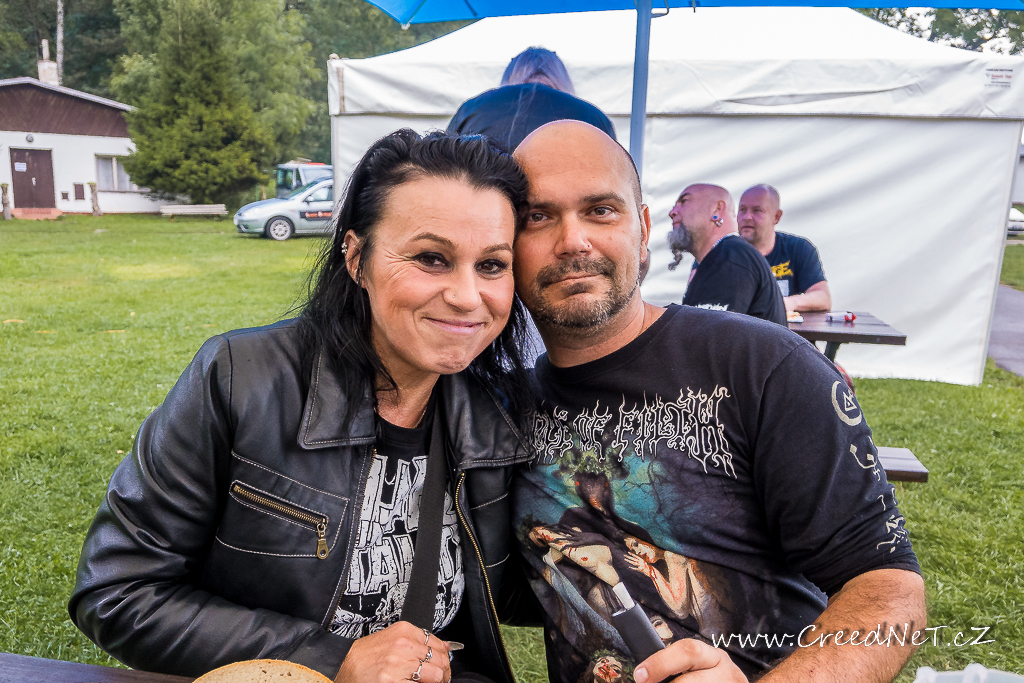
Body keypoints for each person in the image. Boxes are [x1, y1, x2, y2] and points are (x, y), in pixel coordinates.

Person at [69, 130, 536, 683]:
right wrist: (332, 659)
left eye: (492, 265)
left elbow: (520, 589)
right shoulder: (239, 380)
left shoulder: (499, 415)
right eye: (431, 258)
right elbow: (117, 590)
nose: (466, 296)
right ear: (356, 258)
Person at [510, 121, 926, 683]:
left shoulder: (764, 367)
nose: (573, 241)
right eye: (538, 217)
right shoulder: (499, 409)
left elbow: (890, 587)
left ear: (643, 229)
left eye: (601, 210)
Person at [446, 47, 617, 153]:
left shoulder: (471, 109)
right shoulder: (593, 117)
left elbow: (442, 165)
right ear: (562, 77)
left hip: (487, 200)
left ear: (510, 75)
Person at [668, 184, 787, 326]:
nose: (672, 212)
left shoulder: (730, 259)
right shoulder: (723, 256)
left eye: (684, 201)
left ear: (717, 210)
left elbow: (706, 336)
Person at [738, 184, 832, 312]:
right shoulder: (723, 252)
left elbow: (823, 297)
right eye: (742, 210)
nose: (747, 217)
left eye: (757, 210)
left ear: (776, 217)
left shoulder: (798, 249)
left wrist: (788, 303)